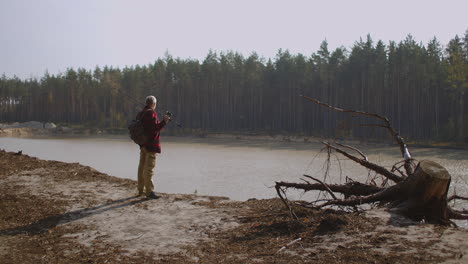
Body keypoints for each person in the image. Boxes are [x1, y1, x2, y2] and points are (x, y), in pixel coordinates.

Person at [137, 95, 170, 199]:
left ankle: (140, 190)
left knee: (141, 167)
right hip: (150, 145)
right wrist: (164, 122)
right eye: (155, 104)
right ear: (154, 104)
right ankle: (149, 192)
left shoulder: (141, 113)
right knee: (149, 169)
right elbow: (154, 129)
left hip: (142, 144)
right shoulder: (151, 113)